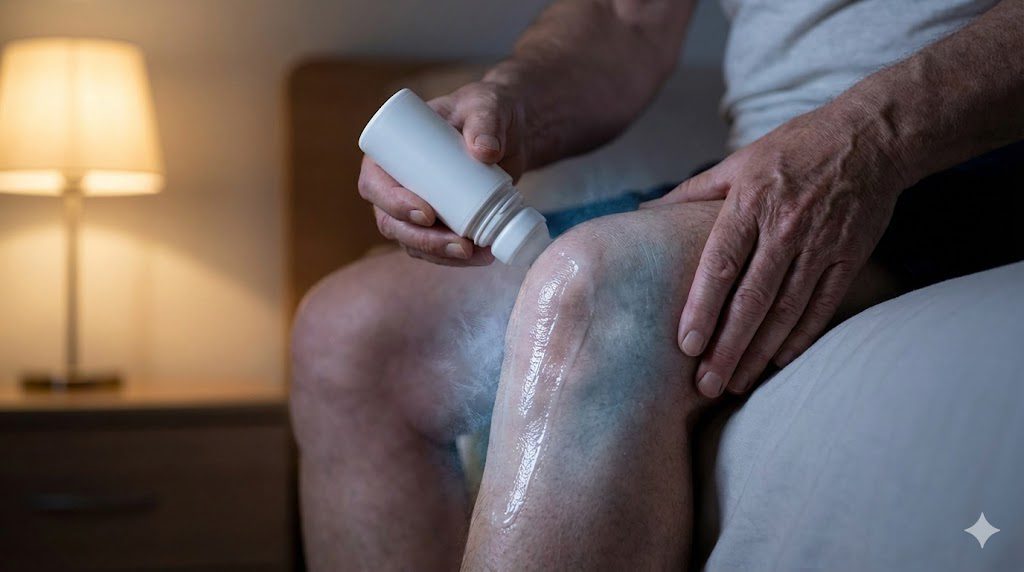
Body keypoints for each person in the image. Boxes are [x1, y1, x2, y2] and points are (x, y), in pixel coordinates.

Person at [290, 0, 1024, 569]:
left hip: (962, 154)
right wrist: (510, 105)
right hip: (759, 168)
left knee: (599, 290)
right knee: (346, 334)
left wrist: (872, 137)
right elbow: (621, 18)